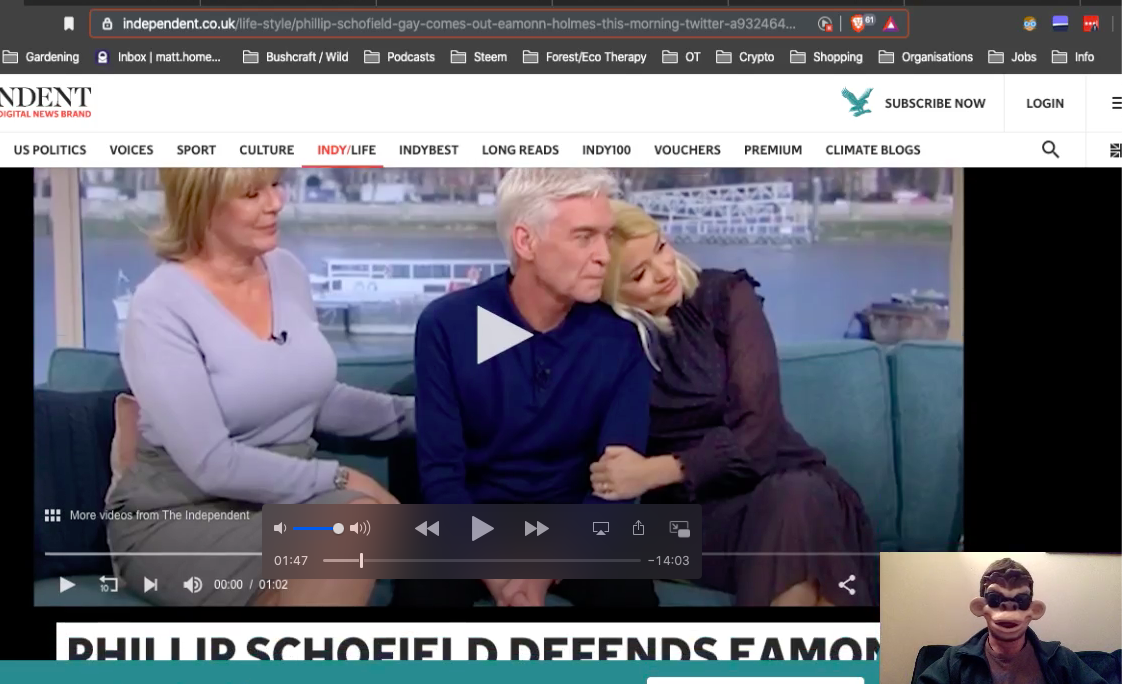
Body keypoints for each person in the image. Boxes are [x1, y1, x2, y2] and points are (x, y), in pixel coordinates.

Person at [107, 167, 413, 607]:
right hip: (182, 513)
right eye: (252, 193)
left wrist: (422, 416)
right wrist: (340, 476)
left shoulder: (286, 271)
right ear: (202, 204)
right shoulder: (158, 306)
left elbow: (310, 398)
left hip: (282, 503)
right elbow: (211, 464)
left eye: (274, 184)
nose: (276, 202)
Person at [392, 168, 659, 608]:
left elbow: (615, 487)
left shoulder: (622, 340)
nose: (603, 256)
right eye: (584, 237)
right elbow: (441, 476)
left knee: (629, 595)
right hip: (472, 520)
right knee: (422, 593)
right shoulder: (447, 325)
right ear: (526, 241)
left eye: (606, 237)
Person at [588, 201, 877, 607]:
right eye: (639, 274)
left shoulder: (725, 297)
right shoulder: (604, 342)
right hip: (687, 526)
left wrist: (653, 471)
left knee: (795, 502)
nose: (664, 271)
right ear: (608, 291)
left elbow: (759, 434)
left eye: (661, 247)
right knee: (802, 537)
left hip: (789, 488)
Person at [915, 558, 1106, 684]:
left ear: (1035, 610)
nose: (1008, 607)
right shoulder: (955, 661)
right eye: (995, 599)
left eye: (1021, 600)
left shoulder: (1061, 659)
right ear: (979, 607)